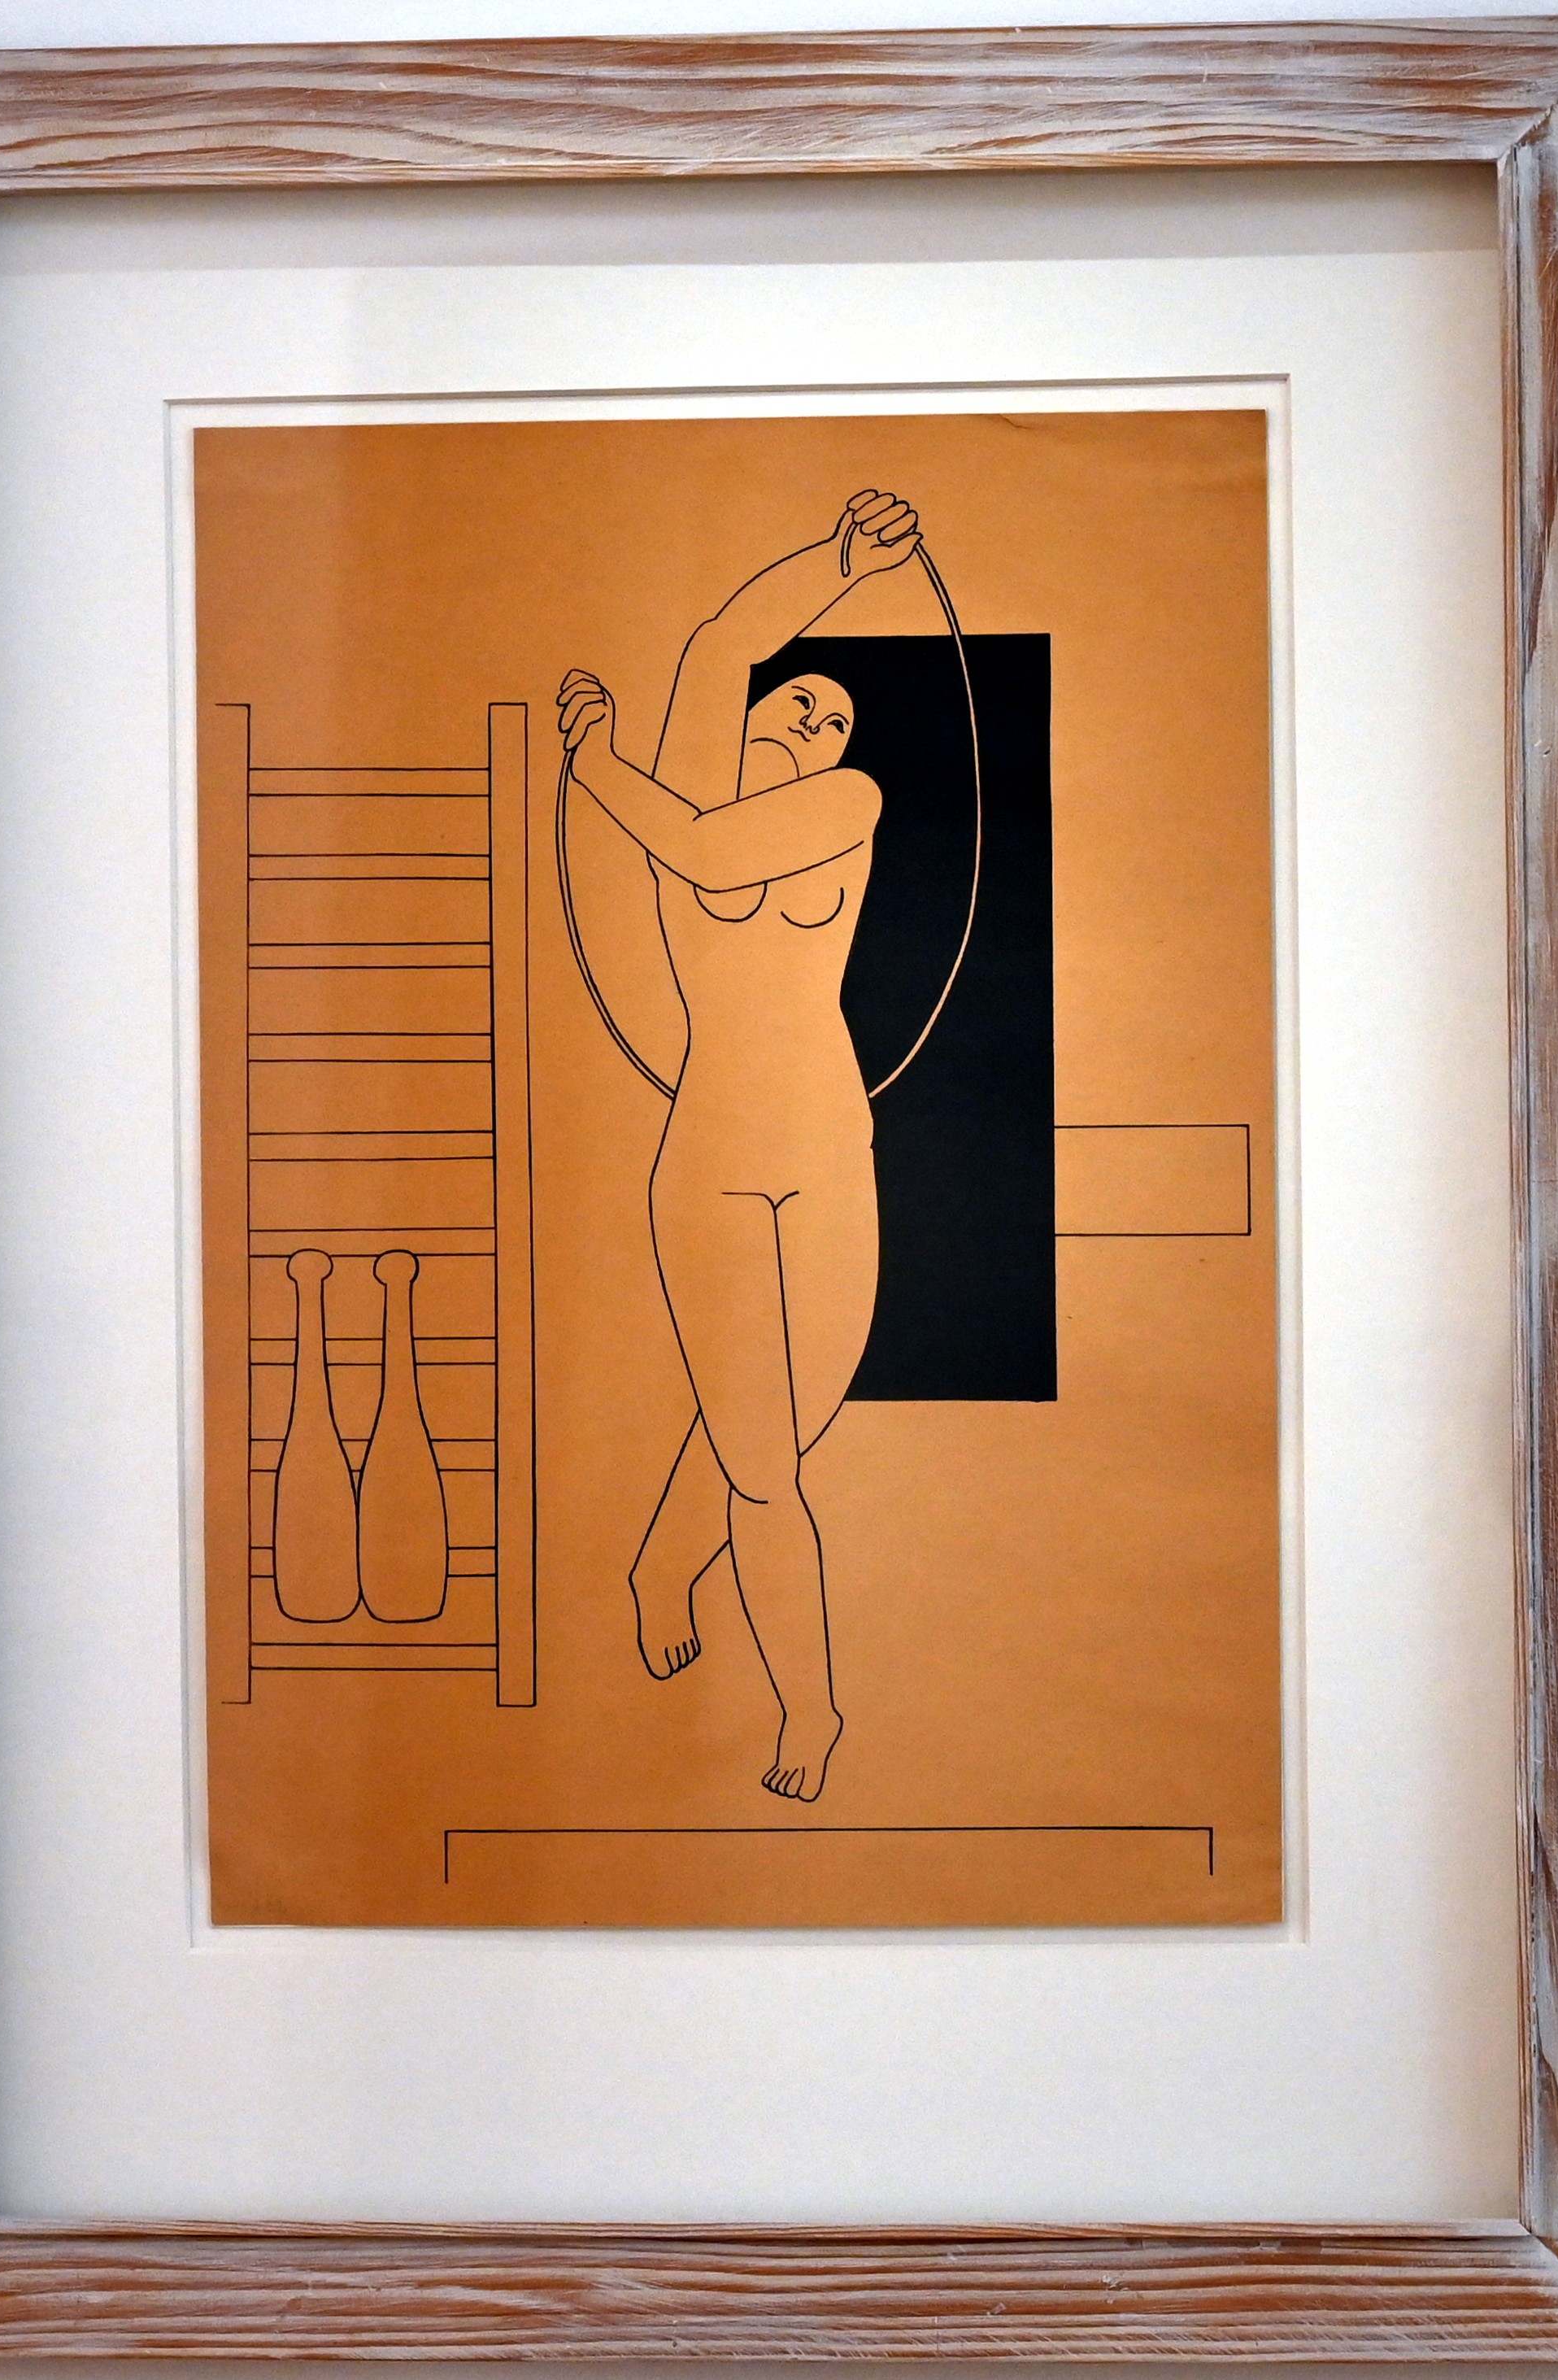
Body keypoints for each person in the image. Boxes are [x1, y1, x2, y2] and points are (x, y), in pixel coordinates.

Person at [554, 488, 923, 1802]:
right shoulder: (693, 783)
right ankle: (810, 1711)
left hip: (828, 1147)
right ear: (757, 710)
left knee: (789, 1420)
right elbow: (721, 639)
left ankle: (663, 1559)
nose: (818, 723)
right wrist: (838, 563)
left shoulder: (846, 805)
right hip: (709, 1157)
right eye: (801, 701)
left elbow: (710, 852)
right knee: (764, 1467)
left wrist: (595, 771)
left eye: (837, 719)